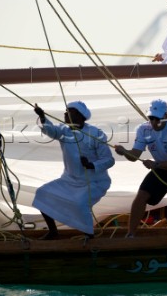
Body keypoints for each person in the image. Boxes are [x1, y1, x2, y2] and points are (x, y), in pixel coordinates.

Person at [114, 99, 167, 237]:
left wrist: (156, 165)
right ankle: (130, 235)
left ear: (166, 116)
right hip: (163, 166)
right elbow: (135, 155)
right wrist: (125, 152)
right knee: (141, 195)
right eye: (151, 118)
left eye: (157, 119)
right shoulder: (143, 129)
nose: (154, 122)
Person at [32, 101, 115, 239]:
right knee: (43, 193)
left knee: (80, 203)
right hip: (69, 180)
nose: (65, 114)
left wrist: (91, 165)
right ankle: (53, 232)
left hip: (94, 182)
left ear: (80, 116)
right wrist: (42, 116)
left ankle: (89, 235)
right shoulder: (64, 131)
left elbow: (109, 160)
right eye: (66, 111)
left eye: (70, 111)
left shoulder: (95, 133)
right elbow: (51, 131)